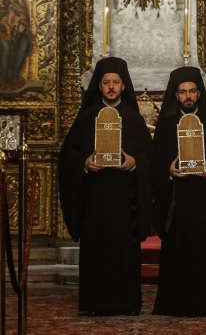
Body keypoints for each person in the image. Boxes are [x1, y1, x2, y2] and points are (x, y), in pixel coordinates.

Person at [58, 57, 152, 315]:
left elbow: (149, 157)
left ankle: (126, 303)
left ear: (124, 86)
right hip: (95, 202)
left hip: (125, 203)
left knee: (124, 254)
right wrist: (85, 162)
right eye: (106, 83)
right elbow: (68, 155)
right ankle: (94, 303)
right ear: (98, 86)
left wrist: (134, 162)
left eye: (116, 83)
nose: (111, 87)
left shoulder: (133, 120)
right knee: (96, 253)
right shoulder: (86, 118)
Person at [151, 67, 206, 317]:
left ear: (200, 94)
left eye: (192, 91)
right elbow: (155, 165)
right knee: (177, 254)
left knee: (204, 255)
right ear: (176, 95)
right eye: (183, 92)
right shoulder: (164, 129)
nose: (188, 96)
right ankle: (174, 304)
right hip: (176, 203)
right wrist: (169, 171)